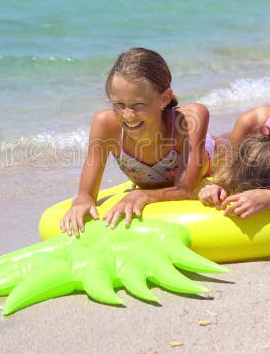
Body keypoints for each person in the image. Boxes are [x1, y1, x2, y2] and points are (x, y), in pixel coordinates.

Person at [60, 48, 214, 236]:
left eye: (138, 105)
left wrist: (142, 194)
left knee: (235, 141)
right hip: (159, 181)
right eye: (119, 105)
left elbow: (185, 190)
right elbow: (86, 193)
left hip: (212, 159)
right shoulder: (105, 124)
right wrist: (82, 200)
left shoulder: (190, 120)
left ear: (164, 98)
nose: (128, 116)